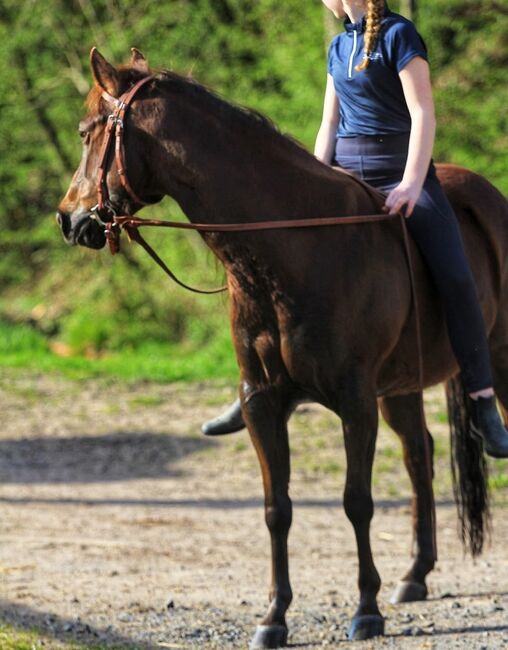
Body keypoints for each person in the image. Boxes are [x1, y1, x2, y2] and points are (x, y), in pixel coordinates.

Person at [202, 0, 508, 458]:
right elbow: (329, 122)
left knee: (457, 275)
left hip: (402, 172)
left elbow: (423, 112)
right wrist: (312, 179)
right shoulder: (338, 45)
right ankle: (262, 384)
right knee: (280, 268)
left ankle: (482, 401)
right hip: (346, 171)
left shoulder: (399, 36)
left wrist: (409, 182)